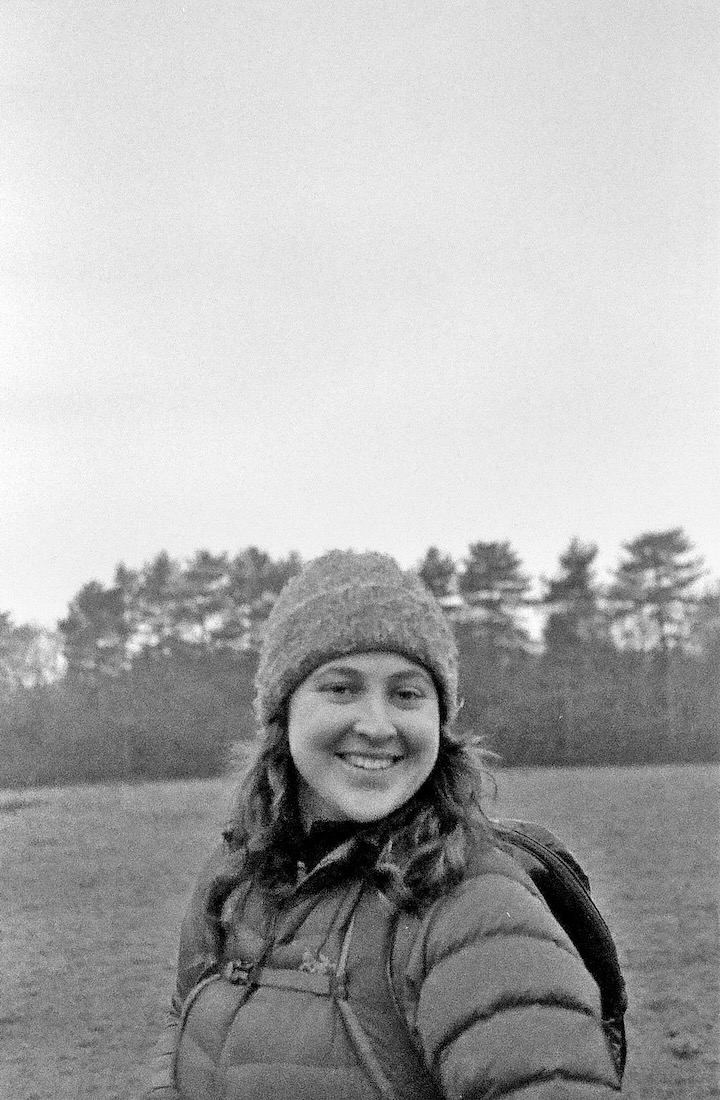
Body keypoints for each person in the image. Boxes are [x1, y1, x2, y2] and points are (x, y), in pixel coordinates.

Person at [146, 550, 622, 1099]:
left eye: (406, 694)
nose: (377, 726)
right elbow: (183, 1036)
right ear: (284, 710)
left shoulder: (474, 905)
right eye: (341, 688)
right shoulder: (233, 881)